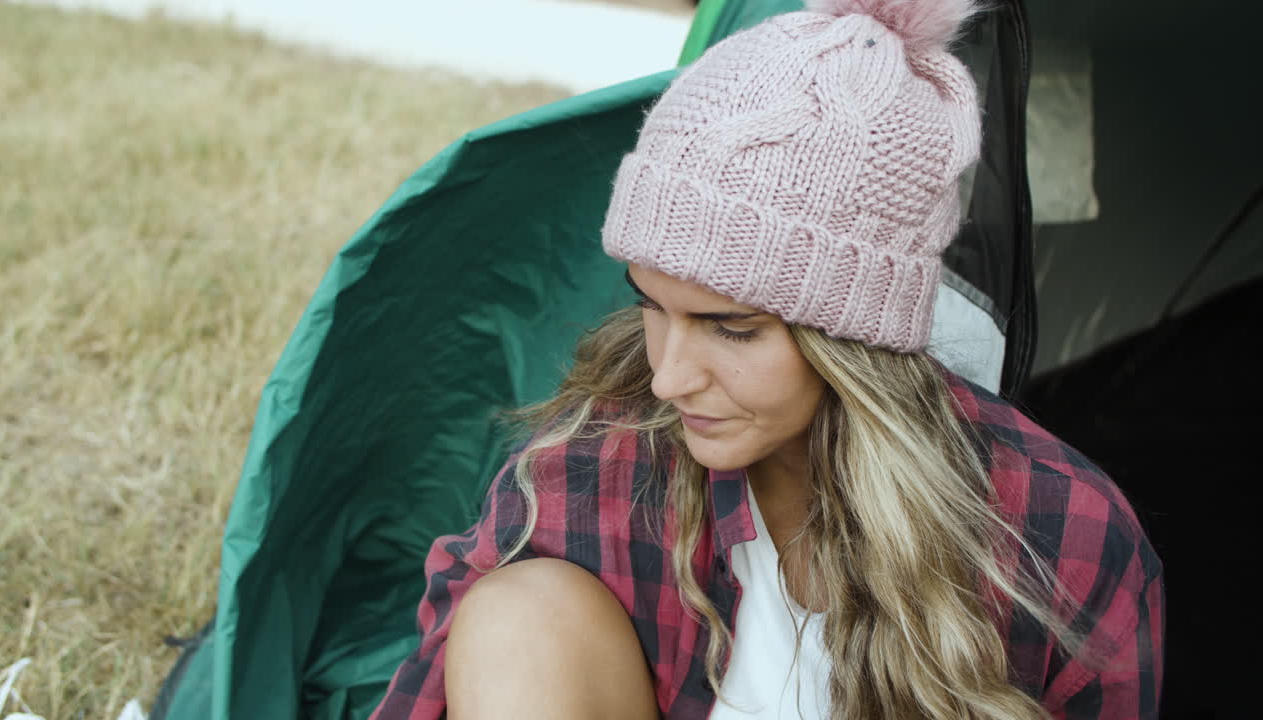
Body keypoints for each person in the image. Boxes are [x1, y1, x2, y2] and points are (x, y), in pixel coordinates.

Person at [369, 1, 1164, 718]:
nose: (669, 379)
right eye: (653, 307)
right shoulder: (591, 475)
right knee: (518, 614)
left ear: (856, 343)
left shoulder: (1059, 537)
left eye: (731, 328)